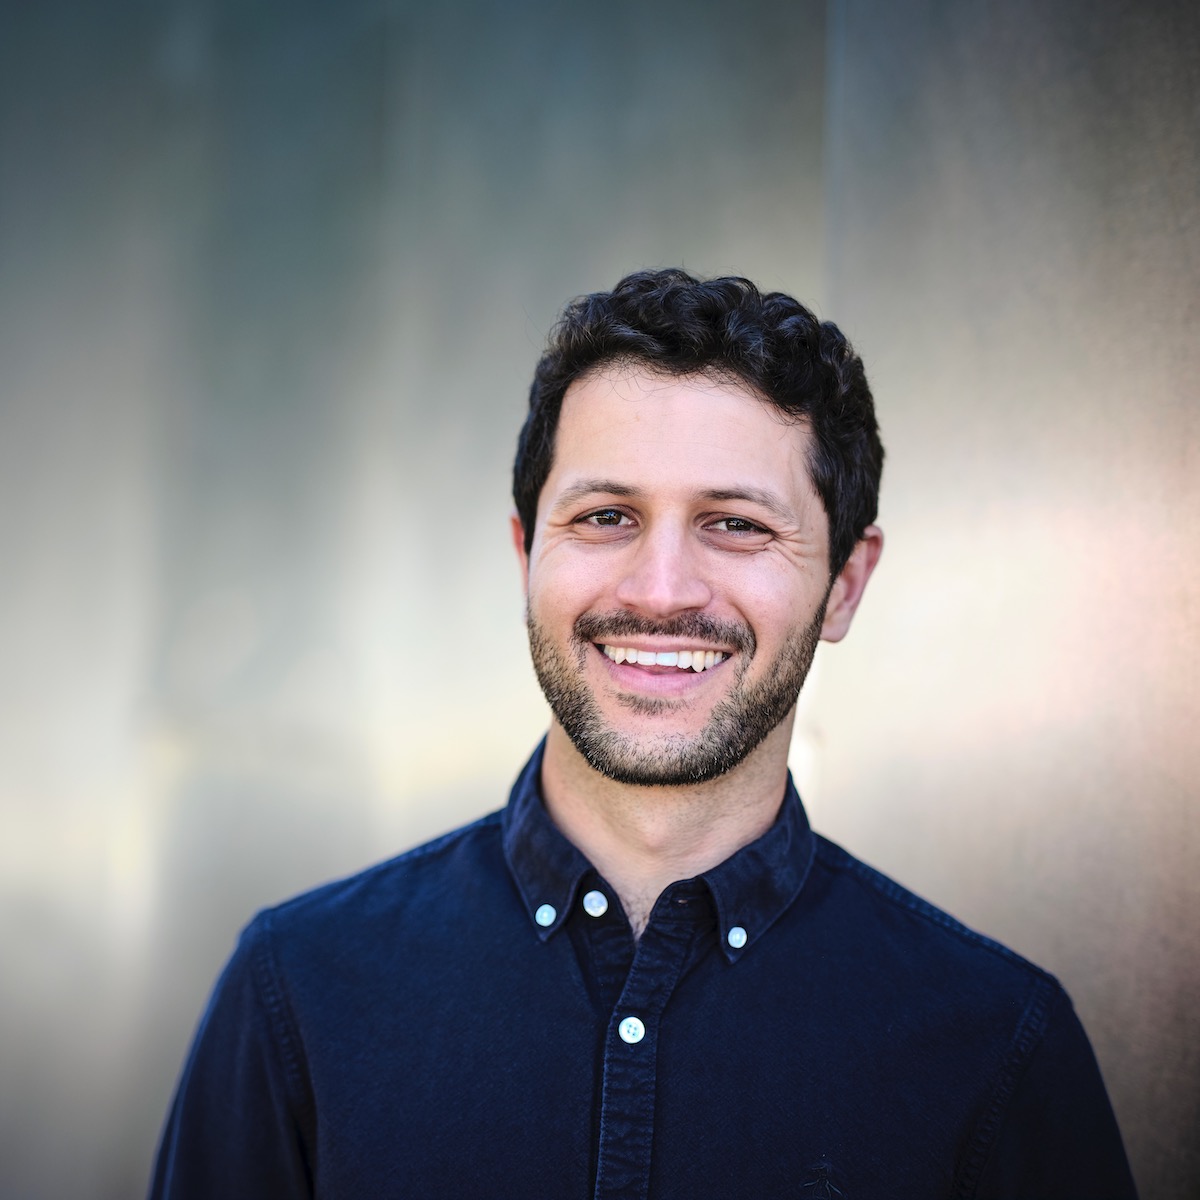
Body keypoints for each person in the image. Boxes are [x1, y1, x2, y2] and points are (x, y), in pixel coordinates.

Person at [149, 269, 1136, 1199]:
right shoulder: (299, 993)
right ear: (525, 551)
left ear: (845, 580)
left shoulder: (998, 1045)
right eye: (607, 515)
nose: (661, 592)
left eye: (738, 524)